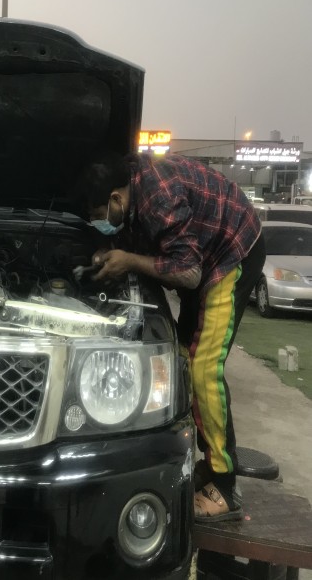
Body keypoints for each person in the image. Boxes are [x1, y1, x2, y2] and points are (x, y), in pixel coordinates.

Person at [75, 150, 264, 522]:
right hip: (204, 251)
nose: (98, 222)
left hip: (231, 252)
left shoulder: (159, 196)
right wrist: (109, 251)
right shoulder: (130, 195)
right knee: (183, 357)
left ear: (115, 198)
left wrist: (129, 260)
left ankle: (225, 487)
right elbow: (141, 237)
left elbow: (189, 274)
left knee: (204, 369)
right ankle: (209, 462)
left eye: (99, 216)